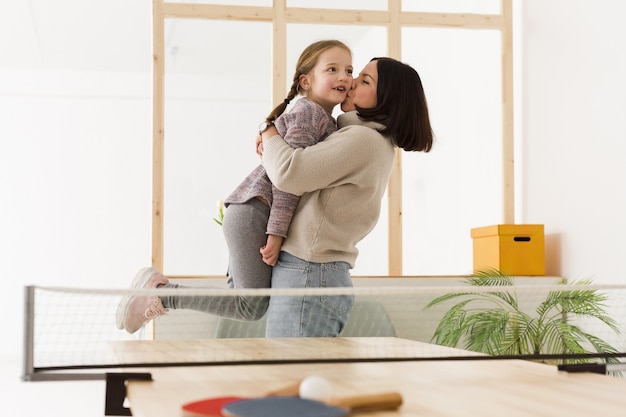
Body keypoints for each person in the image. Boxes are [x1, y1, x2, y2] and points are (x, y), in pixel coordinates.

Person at [115, 40, 353, 334]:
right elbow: (287, 180)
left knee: (244, 304)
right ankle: (162, 293)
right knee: (249, 306)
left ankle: (161, 292)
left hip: (249, 212)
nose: (344, 77)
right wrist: (276, 234)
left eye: (349, 70)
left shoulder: (320, 118)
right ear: (307, 80)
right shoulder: (310, 114)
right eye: (333, 69)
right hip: (255, 214)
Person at [258, 57, 433, 337]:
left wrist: (268, 131)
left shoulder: (362, 140)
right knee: (297, 374)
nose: (350, 83)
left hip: (310, 271)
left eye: (365, 81)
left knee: (292, 372)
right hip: (314, 271)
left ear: (387, 99)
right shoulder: (367, 139)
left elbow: (288, 173)